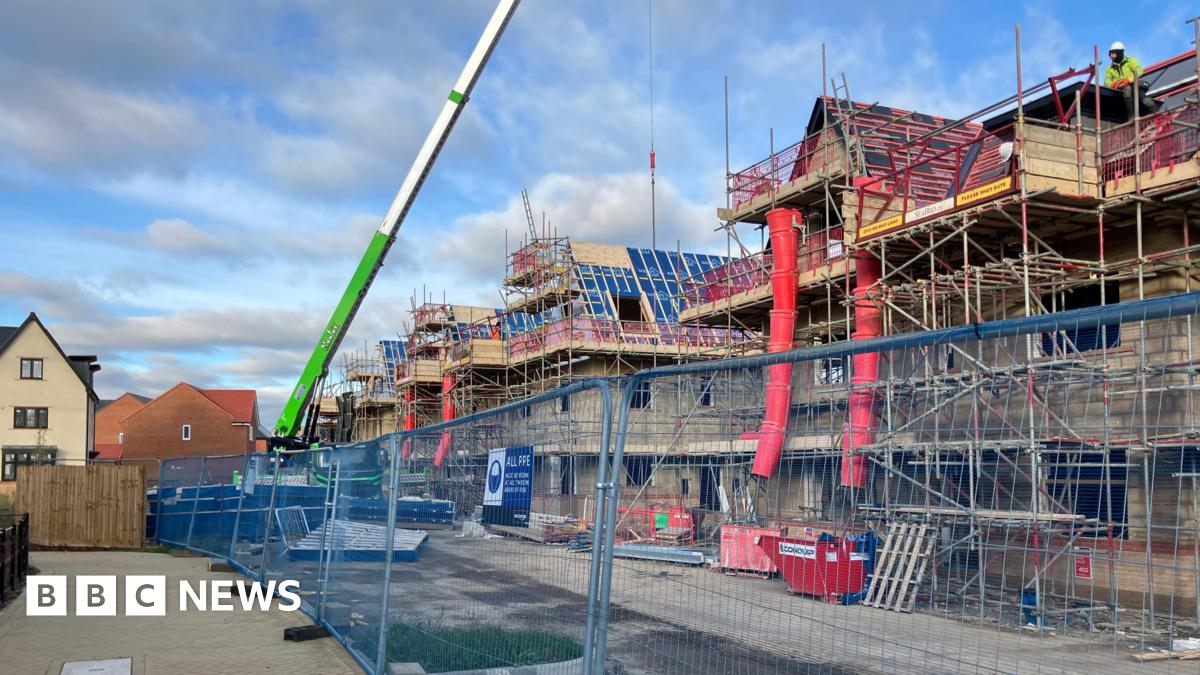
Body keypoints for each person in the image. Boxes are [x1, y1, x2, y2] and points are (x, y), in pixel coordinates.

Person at [1106, 41, 1158, 117]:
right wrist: (1113, 84)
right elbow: (1107, 81)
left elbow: (1139, 71)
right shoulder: (1110, 68)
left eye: (1114, 53)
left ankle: (1154, 110)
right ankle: (1131, 116)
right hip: (1122, 89)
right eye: (1110, 54)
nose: (1112, 56)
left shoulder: (1131, 61)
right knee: (1127, 89)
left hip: (1135, 85)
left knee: (1143, 99)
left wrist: (1128, 80)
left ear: (1120, 52)